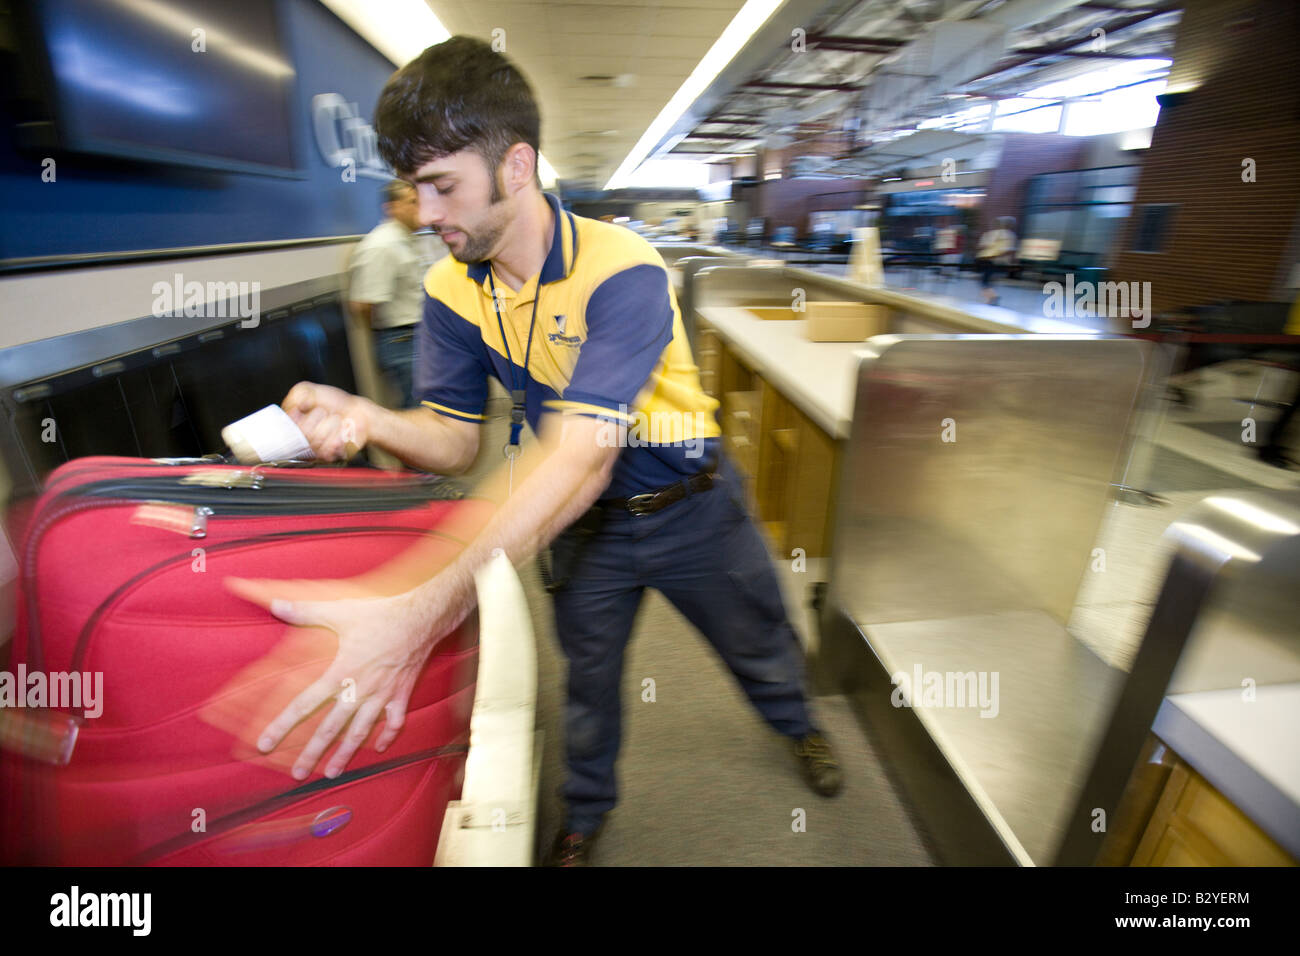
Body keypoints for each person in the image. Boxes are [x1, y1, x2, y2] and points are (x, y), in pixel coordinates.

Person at [228, 35, 841, 868]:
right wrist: (367, 416)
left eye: (444, 186)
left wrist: (419, 607)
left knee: (760, 643)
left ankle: (798, 726)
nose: (429, 213)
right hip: (587, 534)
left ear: (515, 167)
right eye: (417, 188)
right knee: (587, 687)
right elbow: (453, 438)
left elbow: (581, 455)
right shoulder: (451, 285)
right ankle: (584, 818)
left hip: (692, 506)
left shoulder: (623, 269)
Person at [348, 180, 445, 408]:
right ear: (392, 208)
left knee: (433, 408)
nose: (420, 208)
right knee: (420, 410)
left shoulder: (407, 240)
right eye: (412, 202)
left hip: (420, 337)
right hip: (403, 342)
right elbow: (362, 304)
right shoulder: (382, 246)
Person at [975, 216, 1017, 305]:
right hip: (1000, 261)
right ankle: (991, 298)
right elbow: (1009, 250)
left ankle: (992, 297)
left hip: (989, 259)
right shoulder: (1012, 235)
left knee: (984, 281)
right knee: (988, 280)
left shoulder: (996, 233)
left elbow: (984, 245)